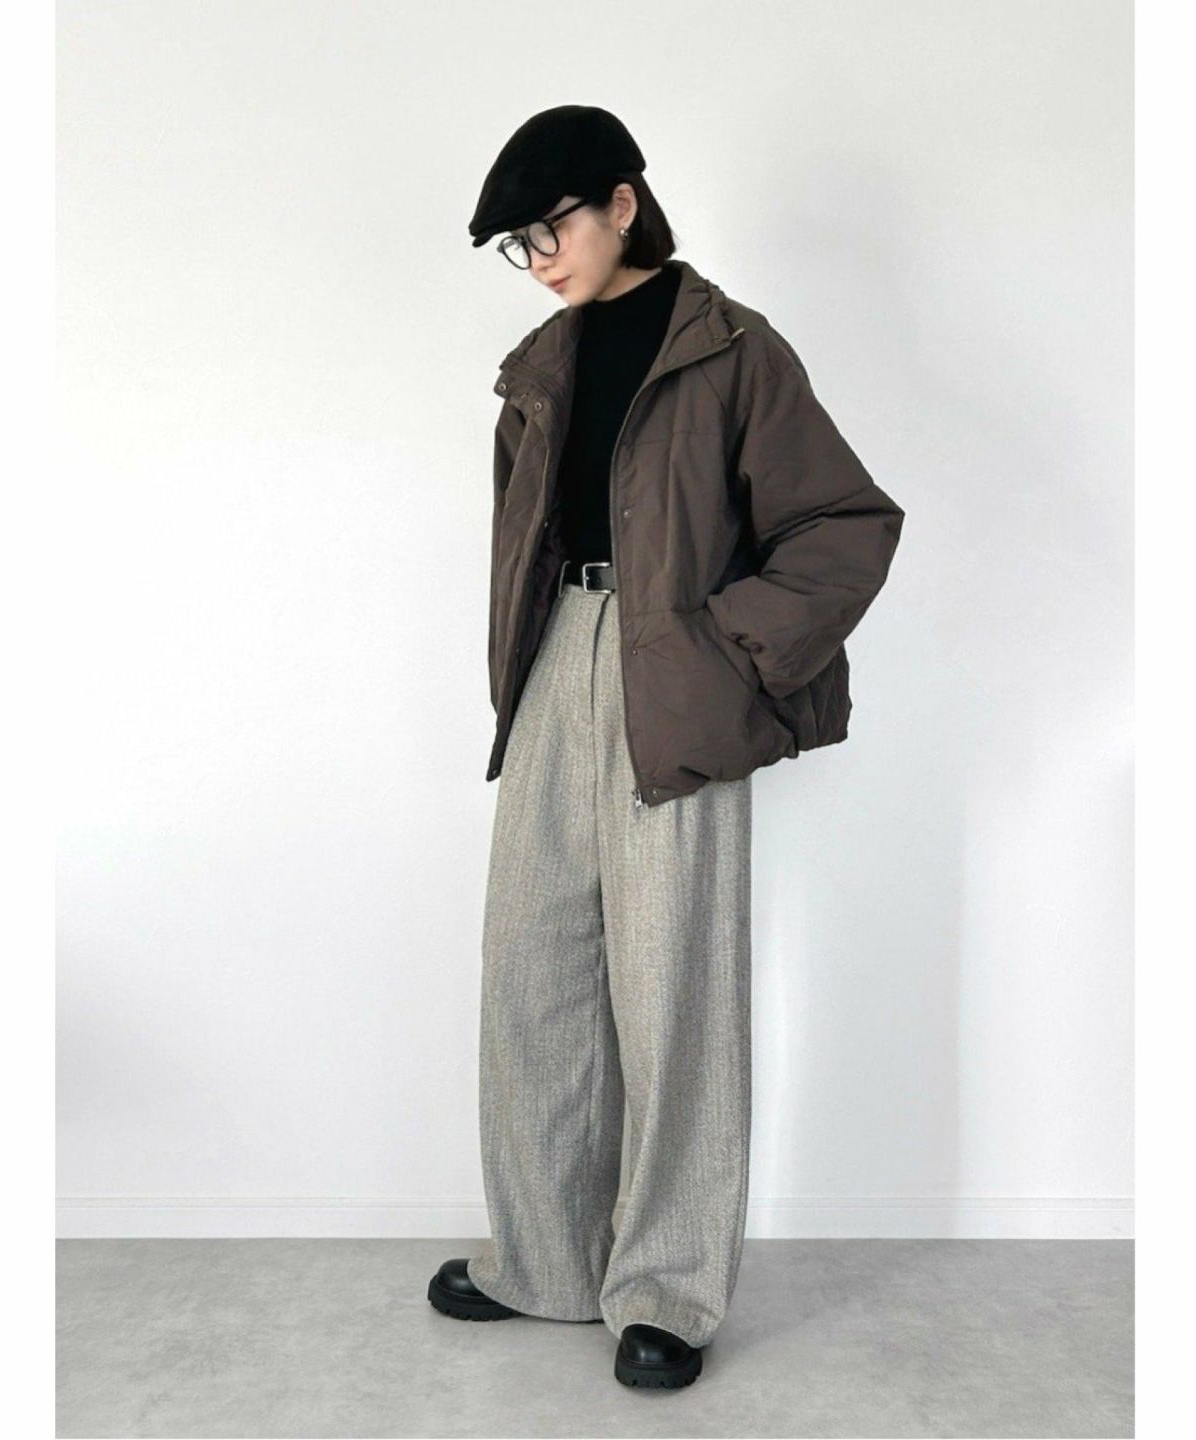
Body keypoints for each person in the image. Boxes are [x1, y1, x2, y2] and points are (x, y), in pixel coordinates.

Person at [427, 105, 905, 1390]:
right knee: (531, 972)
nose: (538, 259)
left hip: (676, 678)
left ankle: (667, 1290)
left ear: (623, 203)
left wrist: (728, 652)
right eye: (518, 245)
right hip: (555, 672)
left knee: (672, 990)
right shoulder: (540, 366)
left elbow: (845, 524)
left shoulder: (733, 351)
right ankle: (544, 1260)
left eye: (550, 228)